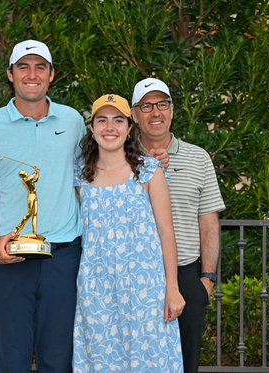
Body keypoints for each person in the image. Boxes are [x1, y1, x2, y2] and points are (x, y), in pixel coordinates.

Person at [0, 40, 85, 373]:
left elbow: (89, 178)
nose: (31, 75)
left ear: (52, 75)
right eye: (23, 67)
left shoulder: (74, 121)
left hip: (64, 256)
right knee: (12, 357)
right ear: (10, 74)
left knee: (58, 357)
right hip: (11, 257)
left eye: (40, 67)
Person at [73, 94, 185, 372]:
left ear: (129, 128)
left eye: (118, 120)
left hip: (145, 290)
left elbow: (166, 233)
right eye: (102, 120)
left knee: (149, 361)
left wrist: (172, 288)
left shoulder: (149, 171)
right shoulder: (79, 176)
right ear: (92, 128)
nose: (110, 127)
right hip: (96, 291)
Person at [131, 78, 225, 373]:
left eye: (161, 104)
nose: (155, 112)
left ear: (172, 110)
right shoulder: (118, 158)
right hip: (134, 278)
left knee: (185, 366)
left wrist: (206, 280)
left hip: (186, 278)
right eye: (146, 105)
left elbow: (209, 222)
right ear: (134, 114)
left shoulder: (198, 158)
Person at [15, 167, 40, 234]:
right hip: (31, 196)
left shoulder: (29, 180)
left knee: (34, 214)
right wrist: (36, 171)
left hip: (35, 196)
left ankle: (34, 232)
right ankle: (19, 227)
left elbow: (36, 180)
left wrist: (37, 172)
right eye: (25, 172)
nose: (26, 173)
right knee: (29, 214)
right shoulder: (27, 180)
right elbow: (32, 176)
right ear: (23, 175)